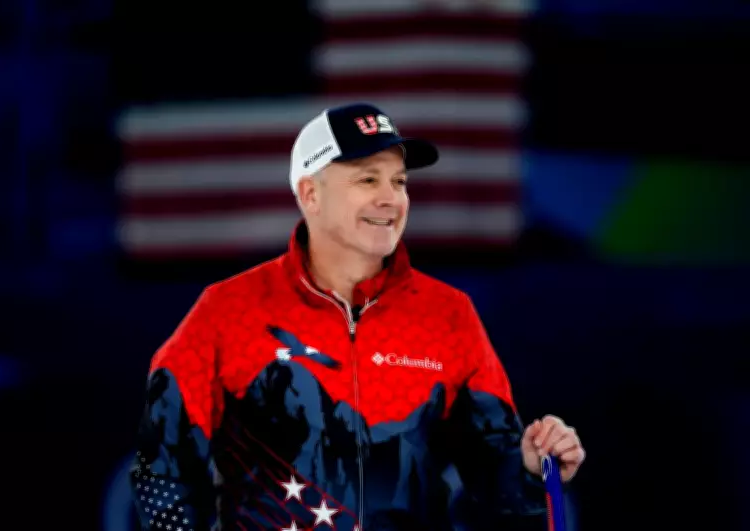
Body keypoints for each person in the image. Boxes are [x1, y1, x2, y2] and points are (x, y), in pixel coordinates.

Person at [129, 102, 585, 531]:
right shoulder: (227, 310)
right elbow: (160, 466)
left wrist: (529, 467)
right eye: (368, 180)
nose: (391, 199)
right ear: (311, 195)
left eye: (400, 182)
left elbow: (493, 476)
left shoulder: (448, 314)